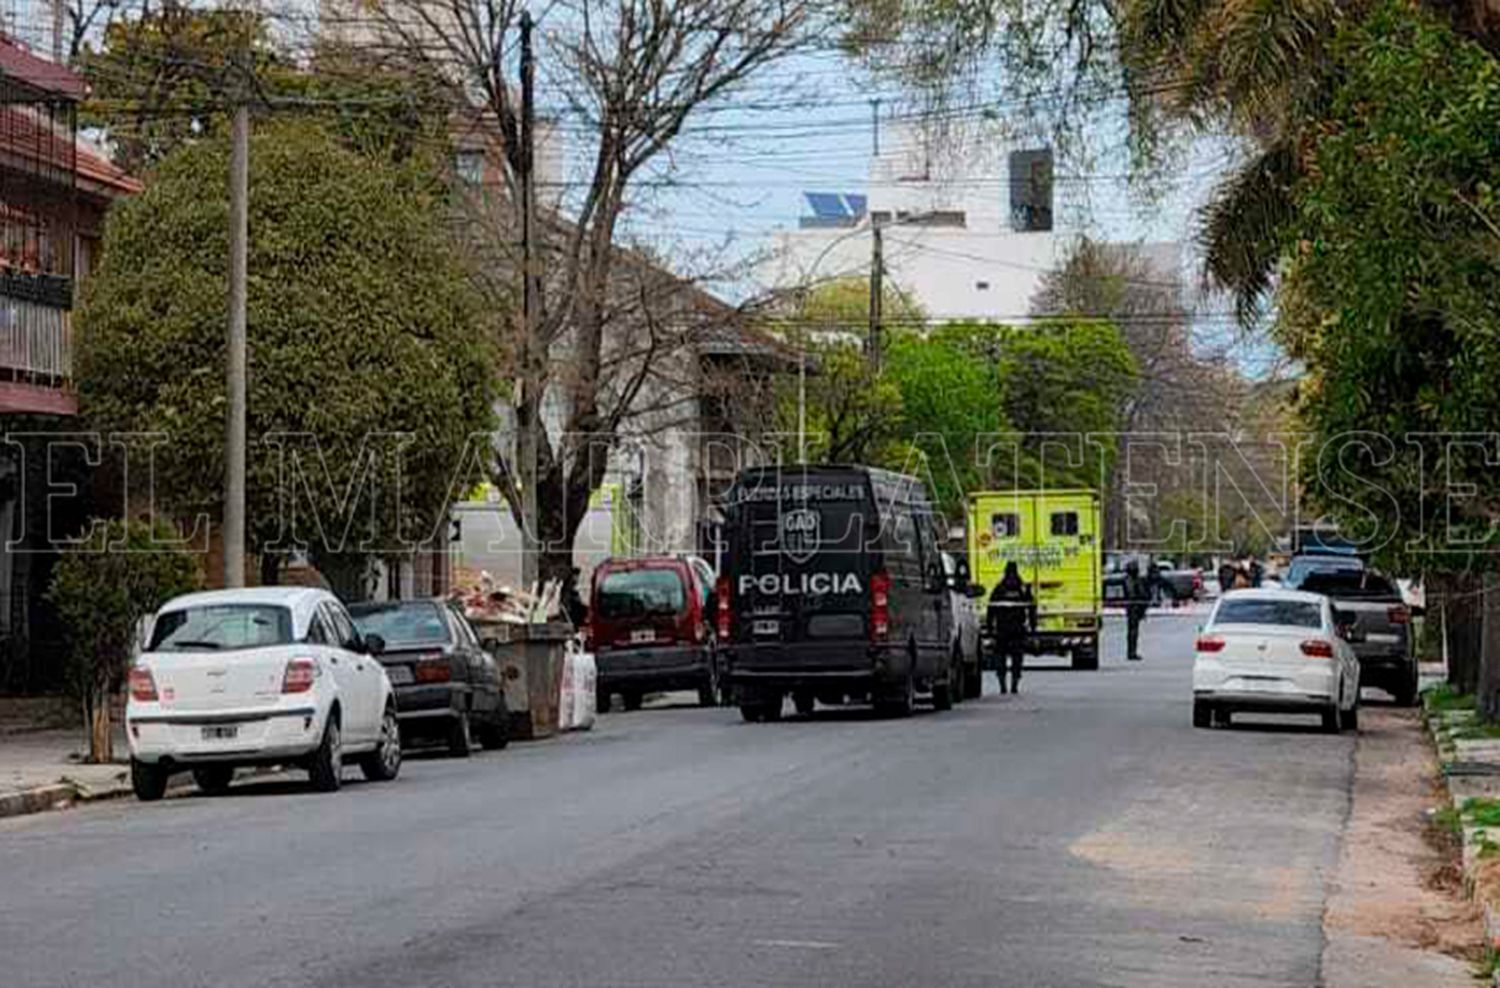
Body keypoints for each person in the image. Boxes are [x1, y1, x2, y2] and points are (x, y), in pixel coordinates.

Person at [987, 561, 1034, 694]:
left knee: (1000, 657)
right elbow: (1031, 607)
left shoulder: (999, 588)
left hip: (1002, 630)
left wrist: (990, 627)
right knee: (1017, 658)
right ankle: (1014, 683)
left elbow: (991, 608)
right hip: (1017, 629)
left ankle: (1002, 684)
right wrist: (1032, 625)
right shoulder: (1022, 588)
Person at [1123, 560, 1150, 662]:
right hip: (1133, 608)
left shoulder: (1136, 580)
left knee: (1134, 631)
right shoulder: (1130, 580)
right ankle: (1131, 652)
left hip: (1136, 607)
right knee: (1132, 631)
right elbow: (1132, 594)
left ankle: (1132, 652)